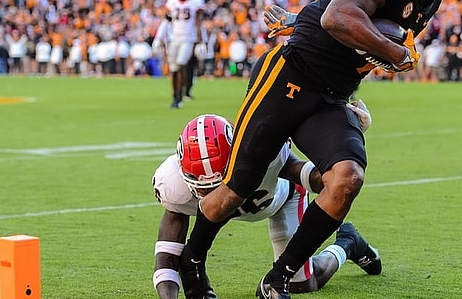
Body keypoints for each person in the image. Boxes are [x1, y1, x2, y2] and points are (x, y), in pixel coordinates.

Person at [180, 0, 462, 299]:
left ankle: (278, 277)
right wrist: (394, 55)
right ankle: (193, 259)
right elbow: (337, 17)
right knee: (237, 187)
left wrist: (303, 19)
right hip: (289, 77)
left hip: (331, 96)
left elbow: (338, 15)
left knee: (347, 178)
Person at [154, 113, 380, 299]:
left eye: (220, 184)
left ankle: (347, 243)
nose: (212, 194)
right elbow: (167, 256)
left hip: (283, 200)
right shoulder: (173, 184)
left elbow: (314, 179)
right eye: (203, 188)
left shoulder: (261, 154)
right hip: (259, 204)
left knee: (302, 283)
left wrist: (345, 146)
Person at [155, 0, 207, 108]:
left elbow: (199, 24)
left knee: (181, 64)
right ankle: (176, 96)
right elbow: (166, 21)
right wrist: (158, 38)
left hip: (188, 39)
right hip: (174, 39)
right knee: (173, 69)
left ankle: (182, 93)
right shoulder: (172, 1)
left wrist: (202, 41)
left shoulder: (196, 2)